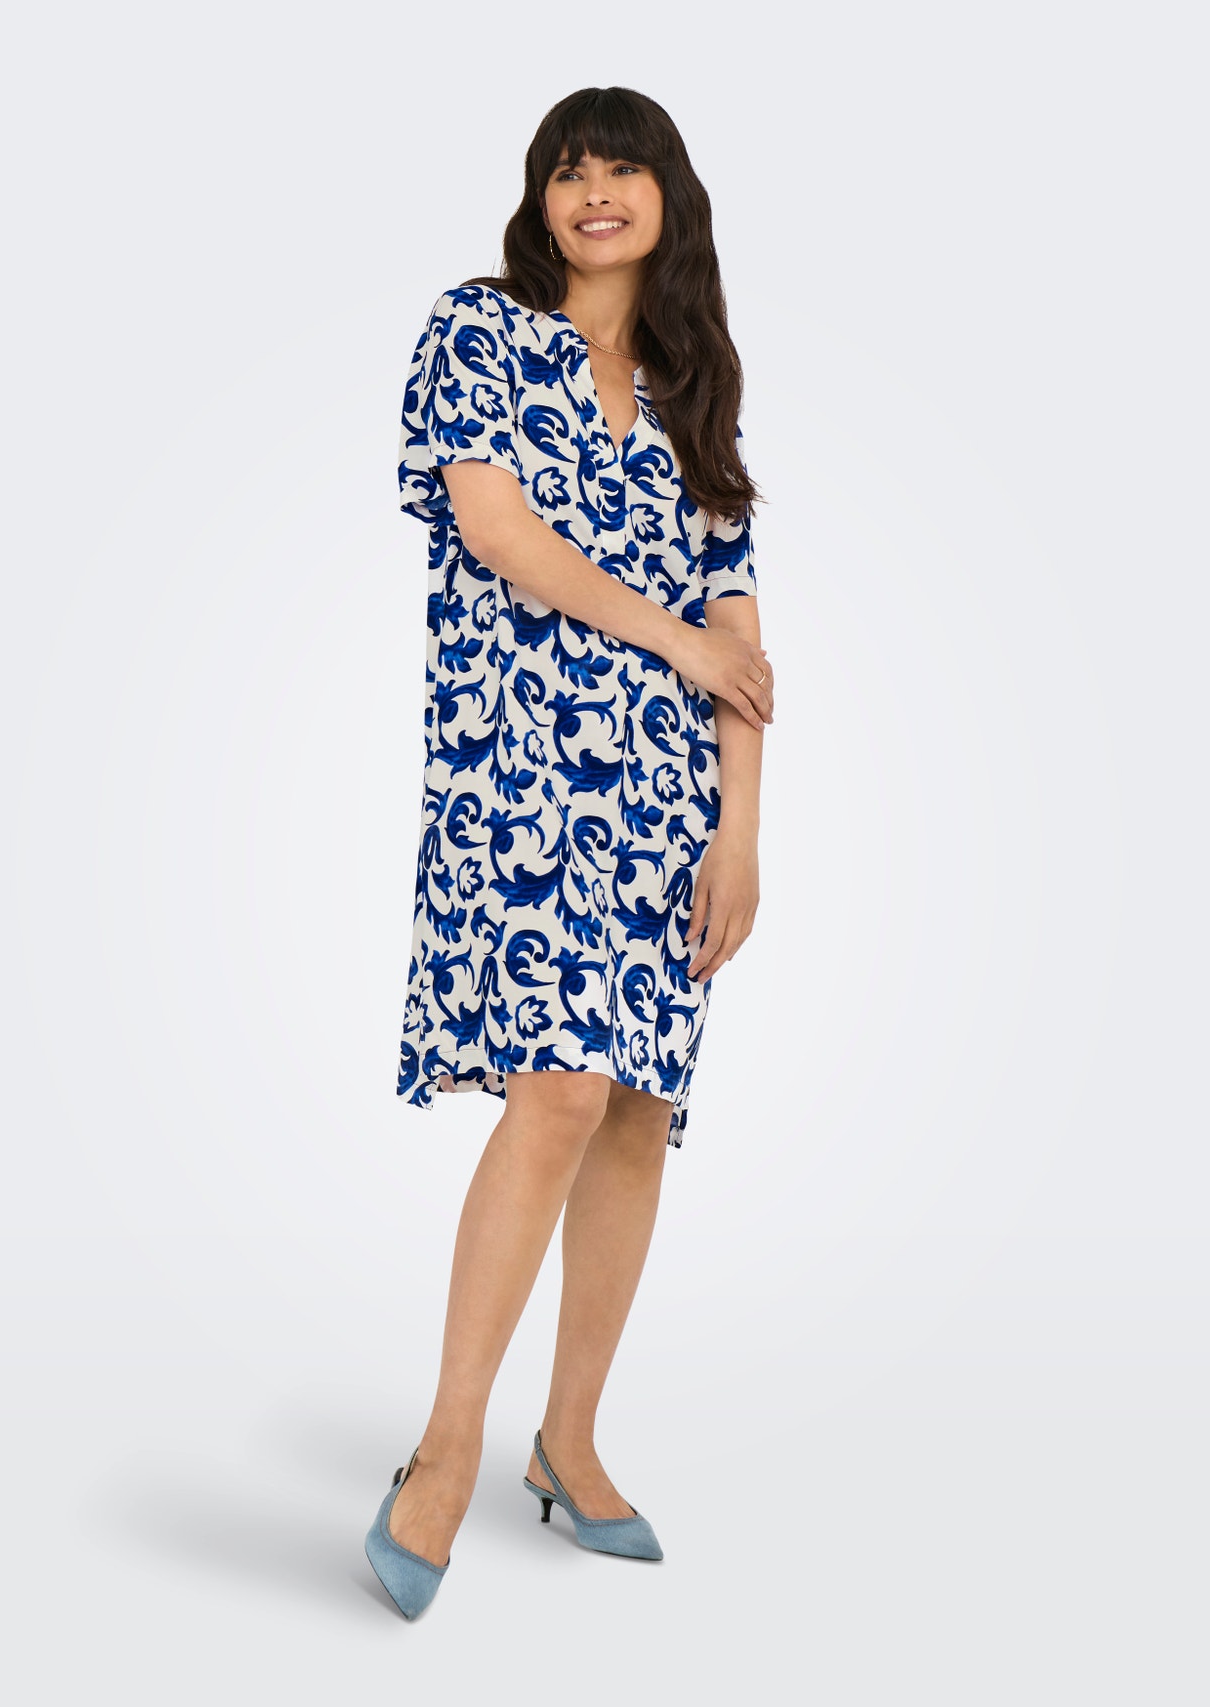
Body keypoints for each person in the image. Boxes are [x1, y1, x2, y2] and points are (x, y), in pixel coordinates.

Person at [365, 85, 773, 1619]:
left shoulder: (691, 389)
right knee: (557, 1090)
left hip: (668, 800)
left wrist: (743, 831)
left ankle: (572, 1440)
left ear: (671, 195)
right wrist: (678, 637)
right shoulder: (478, 330)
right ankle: (444, 1452)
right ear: (540, 199)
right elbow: (497, 531)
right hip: (522, 770)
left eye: (624, 167)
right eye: (568, 169)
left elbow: (741, 638)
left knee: (635, 1112)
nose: (595, 189)